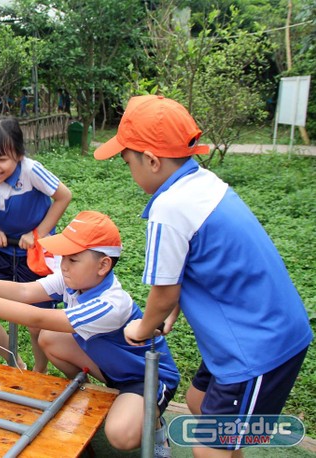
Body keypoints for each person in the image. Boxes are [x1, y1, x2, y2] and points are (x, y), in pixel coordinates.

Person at [94, 95, 313, 457]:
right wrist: (173, 307)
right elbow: (202, 263)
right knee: (198, 402)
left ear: (150, 159)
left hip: (257, 347)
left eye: (127, 160)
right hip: (245, 333)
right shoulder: (204, 183)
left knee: (208, 449)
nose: (129, 170)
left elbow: (164, 292)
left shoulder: (168, 207)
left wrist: (143, 328)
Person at [0, 211, 179, 455]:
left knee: (120, 435)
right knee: (49, 339)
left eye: (73, 260)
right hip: (110, 367)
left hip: (145, 377)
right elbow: (25, 292)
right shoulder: (73, 281)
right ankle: (89, 394)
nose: (63, 265)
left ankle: (156, 425)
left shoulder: (110, 304)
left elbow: (38, 316)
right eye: (63, 257)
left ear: (103, 265)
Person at [0, 116, 72, 372]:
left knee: (36, 324)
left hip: (35, 255)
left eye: (2, 159)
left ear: (19, 155)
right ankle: (15, 362)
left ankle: (39, 371)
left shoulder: (31, 170)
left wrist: (37, 233)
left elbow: (63, 196)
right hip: (2, 253)